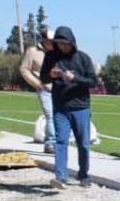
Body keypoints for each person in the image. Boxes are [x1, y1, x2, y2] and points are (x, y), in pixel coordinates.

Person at [38, 26, 97, 190]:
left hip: (81, 107)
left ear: (72, 42)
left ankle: (84, 175)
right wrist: (51, 75)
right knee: (61, 141)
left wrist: (75, 78)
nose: (62, 46)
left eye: (65, 43)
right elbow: (43, 77)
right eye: (59, 43)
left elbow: (93, 82)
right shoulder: (51, 56)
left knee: (83, 144)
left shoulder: (83, 58)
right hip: (60, 107)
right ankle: (60, 177)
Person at [19, 29, 55, 154]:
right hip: (44, 88)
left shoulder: (58, 51)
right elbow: (24, 69)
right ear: (43, 40)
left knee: (60, 116)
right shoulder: (32, 52)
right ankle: (50, 143)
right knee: (50, 115)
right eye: (50, 41)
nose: (52, 43)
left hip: (60, 89)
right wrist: (37, 84)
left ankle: (59, 142)